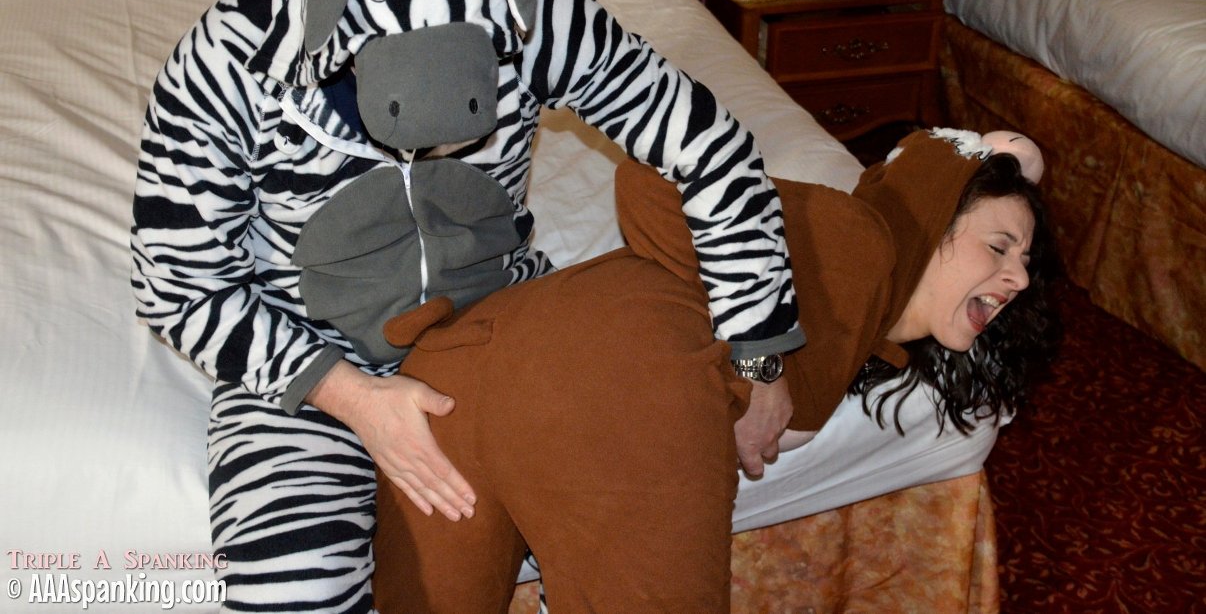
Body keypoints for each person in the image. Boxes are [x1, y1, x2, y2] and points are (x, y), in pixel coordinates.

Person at [129, 0, 801, 611]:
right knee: (290, 586)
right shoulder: (232, 54)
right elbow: (175, 285)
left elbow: (705, 144)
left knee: (635, 509)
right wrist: (351, 397)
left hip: (501, 321)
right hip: (304, 353)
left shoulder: (534, 7)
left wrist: (761, 351)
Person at [370, 127, 1061, 612]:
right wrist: (762, 362)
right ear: (935, 216)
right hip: (616, 381)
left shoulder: (862, 323)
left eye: (1025, 262)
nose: (1019, 278)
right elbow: (651, 181)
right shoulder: (860, 237)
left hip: (458, 367)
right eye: (998, 246)